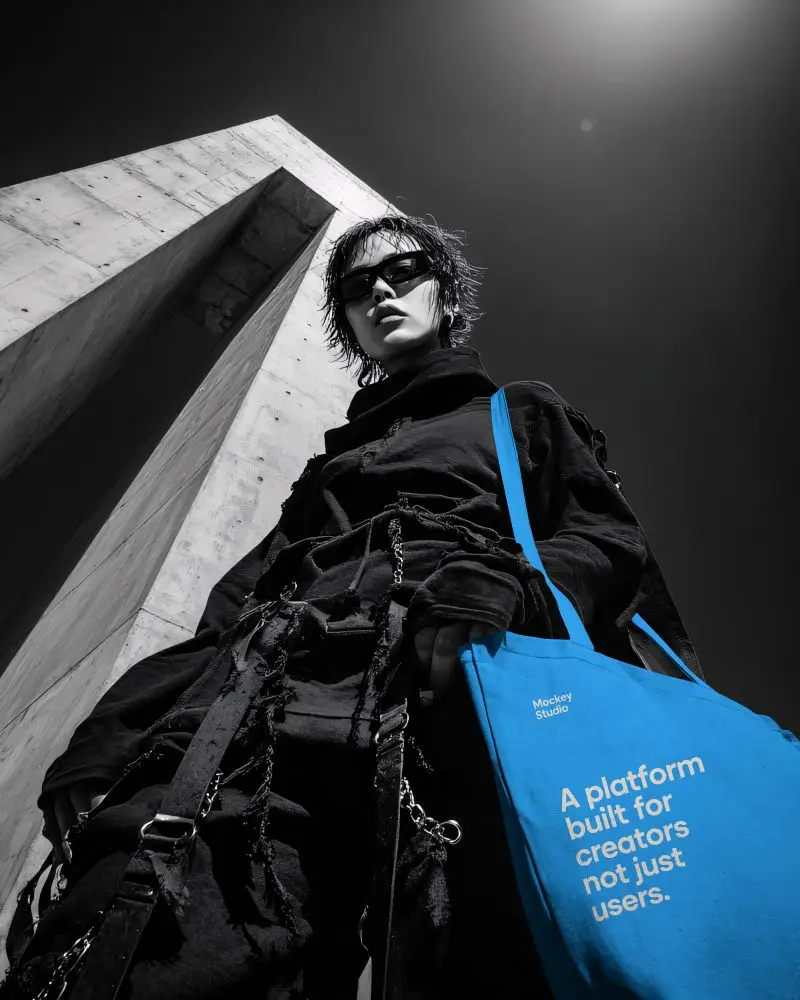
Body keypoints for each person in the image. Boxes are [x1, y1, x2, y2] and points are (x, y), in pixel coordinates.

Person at [1, 214, 701, 1000]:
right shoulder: (325, 472)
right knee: (142, 941)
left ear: (446, 294)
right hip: (268, 706)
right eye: (357, 287)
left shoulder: (519, 415)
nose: (381, 292)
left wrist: (514, 589)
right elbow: (229, 612)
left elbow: (605, 537)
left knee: (490, 961)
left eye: (402, 271)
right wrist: (118, 731)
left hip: (463, 691)